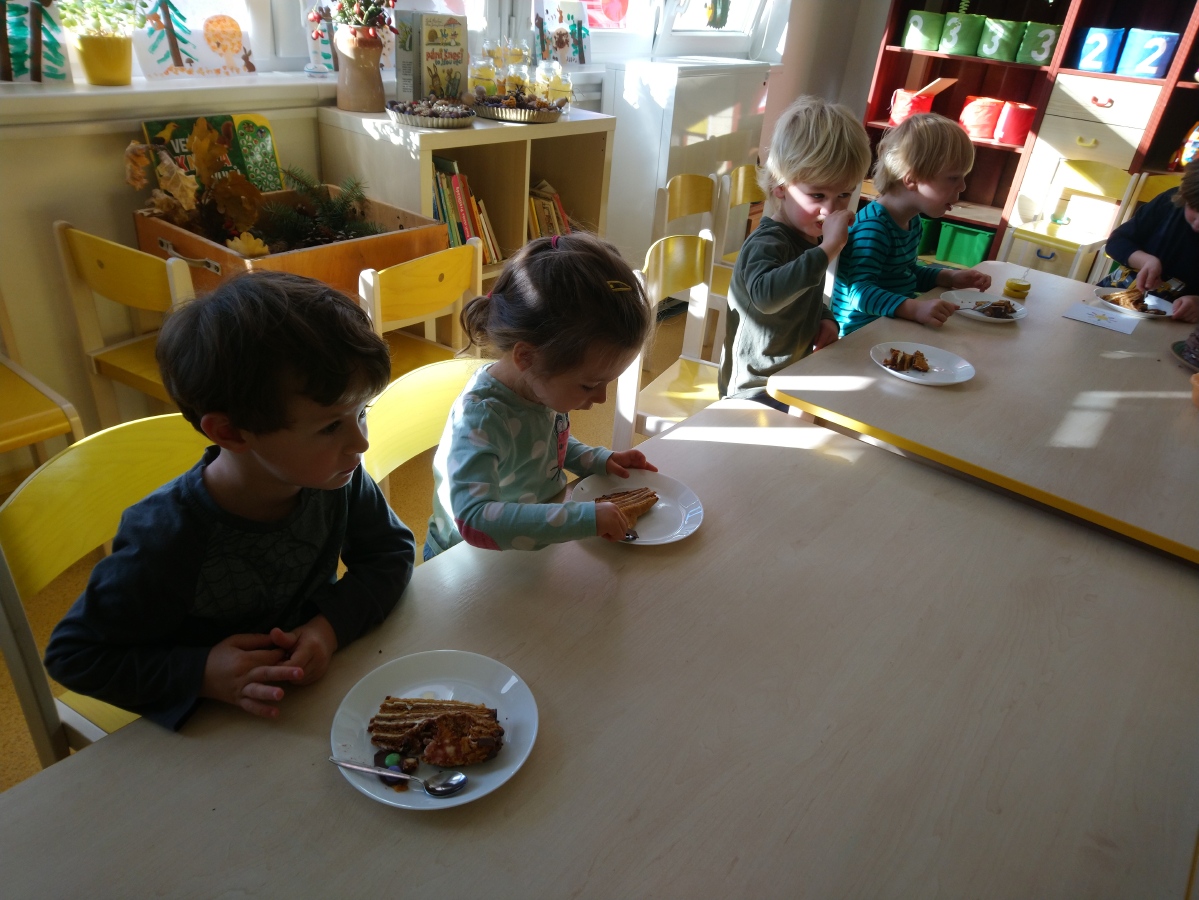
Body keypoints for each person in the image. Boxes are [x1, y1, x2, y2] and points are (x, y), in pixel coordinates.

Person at [44, 272, 415, 729]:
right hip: (212, 727)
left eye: (362, 412)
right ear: (230, 432)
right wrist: (201, 673)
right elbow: (74, 655)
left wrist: (329, 627)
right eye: (330, 426)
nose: (361, 443)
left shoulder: (335, 478)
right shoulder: (164, 536)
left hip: (307, 706)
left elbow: (390, 553)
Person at [424, 232, 657, 558]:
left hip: (526, 552)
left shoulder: (540, 387)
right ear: (527, 358)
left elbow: (549, 444)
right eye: (589, 385)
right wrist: (581, 519)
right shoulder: (481, 417)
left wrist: (599, 460)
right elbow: (473, 519)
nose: (602, 399)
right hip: (464, 565)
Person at [718, 96, 872, 409]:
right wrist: (828, 249)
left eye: (844, 195)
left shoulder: (808, 236)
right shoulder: (767, 242)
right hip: (753, 389)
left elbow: (804, 295)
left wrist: (825, 317)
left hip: (790, 375)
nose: (830, 209)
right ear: (780, 187)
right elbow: (766, 297)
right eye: (818, 195)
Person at [830, 113, 992, 337]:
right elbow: (859, 294)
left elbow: (904, 273)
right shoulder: (874, 227)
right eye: (953, 178)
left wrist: (948, 277)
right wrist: (915, 309)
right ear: (912, 179)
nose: (963, 187)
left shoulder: (911, 221)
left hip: (891, 325)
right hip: (860, 334)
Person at [1098, 163, 1199, 323]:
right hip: (1113, 299)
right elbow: (1116, 241)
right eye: (1193, 207)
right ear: (1184, 197)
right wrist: (1145, 260)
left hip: (1173, 322)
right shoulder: (1169, 203)